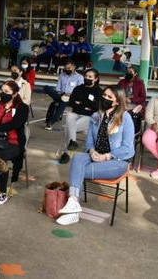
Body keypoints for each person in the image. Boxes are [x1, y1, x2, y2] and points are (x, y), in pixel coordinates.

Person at [56, 86, 135, 226]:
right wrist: (92, 151)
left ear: (117, 102)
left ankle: (73, 210)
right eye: (104, 95)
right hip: (95, 155)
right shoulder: (96, 116)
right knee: (78, 158)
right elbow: (90, 141)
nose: (105, 98)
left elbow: (128, 149)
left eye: (110, 97)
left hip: (117, 161)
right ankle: (73, 203)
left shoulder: (125, 118)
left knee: (77, 171)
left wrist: (106, 156)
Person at [0, 80, 29, 205]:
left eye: (6, 92)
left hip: (13, 142)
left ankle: (2, 191)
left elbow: (14, 124)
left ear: (14, 94)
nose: (3, 93)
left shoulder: (22, 108)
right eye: (2, 91)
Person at [59, 68, 102, 164]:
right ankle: (73, 142)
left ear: (95, 79)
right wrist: (86, 105)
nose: (87, 78)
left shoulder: (98, 91)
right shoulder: (78, 88)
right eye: (86, 76)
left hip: (89, 117)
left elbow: (96, 107)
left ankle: (66, 153)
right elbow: (71, 102)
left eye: (90, 77)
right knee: (69, 115)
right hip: (75, 114)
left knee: (68, 128)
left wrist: (80, 103)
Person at [43, 59, 83, 131]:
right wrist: (62, 94)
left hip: (72, 97)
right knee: (46, 87)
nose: (66, 70)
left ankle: (50, 122)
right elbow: (58, 89)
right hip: (60, 95)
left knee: (62, 102)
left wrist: (70, 94)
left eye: (68, 68)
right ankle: (52, 120)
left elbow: (80, 91)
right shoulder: (62, 75)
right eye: (65, 68)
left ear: (73, 67)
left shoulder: (79, 77)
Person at [117, 66, 147, 134]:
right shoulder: (122, 82)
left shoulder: (140, 83)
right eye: (127, 72)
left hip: (134, 104)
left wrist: (131, 100)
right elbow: (117, 91)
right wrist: (122, 98)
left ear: (135, 73)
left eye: (131, 72)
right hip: (122, 103)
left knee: (130, 117)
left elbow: (143, 97)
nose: (128, 73)